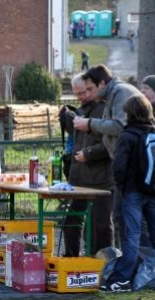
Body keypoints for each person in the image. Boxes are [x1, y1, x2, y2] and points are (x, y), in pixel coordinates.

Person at [73, 64, 141, 250]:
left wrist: (90, 123)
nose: (88, 94)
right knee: (120, 216)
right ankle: (124, 261)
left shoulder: (121, 92)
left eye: (90, 89)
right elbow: (108, 133)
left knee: (130, 220)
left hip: (134, 167)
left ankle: (136, 264)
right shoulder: (110, 96)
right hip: (123, 165)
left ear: (102, 83)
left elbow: (119, 126)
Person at [100, 94, 155, 292]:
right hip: (152, 190)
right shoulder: (152, 133)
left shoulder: (128, 135)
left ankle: (122, 278)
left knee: (132, 235)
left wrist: (122, 187)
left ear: (130, 114)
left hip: (132, 192)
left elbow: (119, 166)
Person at [63, 73, 114, 257]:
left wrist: (89, 154)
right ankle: (70, 260)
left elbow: (111, 143)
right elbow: (79, 139)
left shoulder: (106, 109)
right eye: (77, 94)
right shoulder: (82, 109)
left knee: (100, 225)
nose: (81, 97)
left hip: (101, 178)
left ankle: (103, 264)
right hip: (79, 177)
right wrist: (67, 119)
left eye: (84, 92)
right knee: (71, 222)